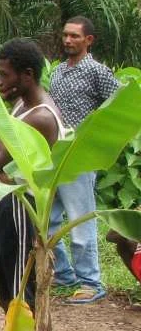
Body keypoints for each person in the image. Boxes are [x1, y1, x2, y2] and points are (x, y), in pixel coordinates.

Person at [0, 39, 63, 312]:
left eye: (5, 75)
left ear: (27, 75)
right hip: (7, 202)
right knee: (6, 292)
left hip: (22, 208)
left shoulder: (40, 116)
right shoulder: (23, 104)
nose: (0, 81)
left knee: (19, 293)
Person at [48, 16, 119, 303]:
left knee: (79, 222)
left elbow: (116, 108)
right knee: (48, 220)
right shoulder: (58, 71)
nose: (68, 40)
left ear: (88, 40)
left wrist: (98, 143)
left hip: (80, 157)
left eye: (75, 36)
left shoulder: (97, 71)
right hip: (54, 154)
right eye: (65, 35)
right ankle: (64, 274)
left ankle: (91, 282)